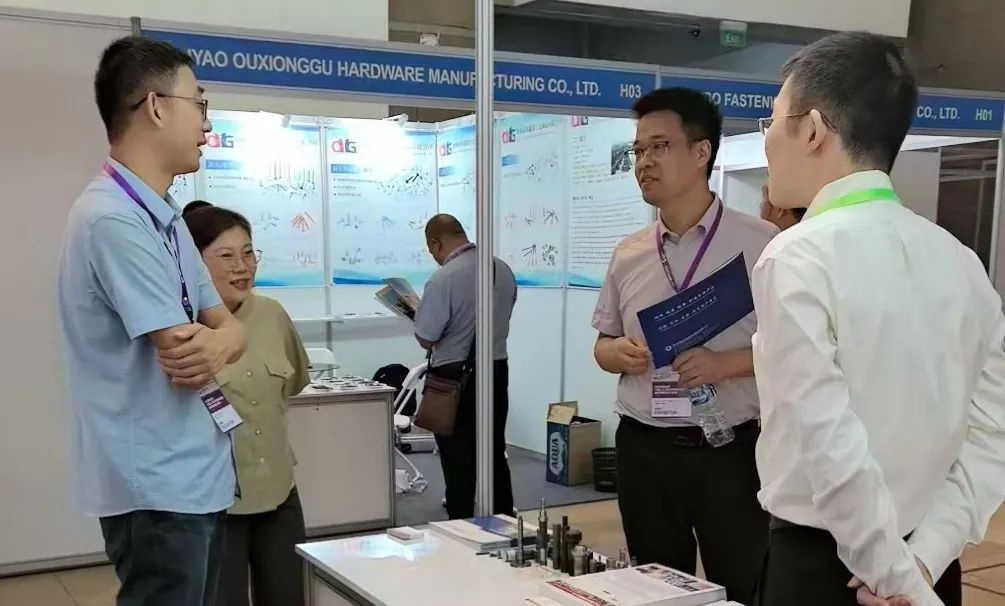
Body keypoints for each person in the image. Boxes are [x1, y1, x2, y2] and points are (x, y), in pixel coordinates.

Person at [752, 31, 1005, 606]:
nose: (766, 139)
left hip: (829, 571)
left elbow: (828, 441)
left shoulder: (796, 256)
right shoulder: (961, 260)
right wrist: (921, 561)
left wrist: (894, 578)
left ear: (812, 130)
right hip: (929, 565)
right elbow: (992, 431)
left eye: (772, 118)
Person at [57, 37, 245, 606]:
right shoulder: (112, 219)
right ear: (157, 107)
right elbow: (185, 350)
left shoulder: (165, 217)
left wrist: (223, 340)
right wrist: (221, 339)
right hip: (156, 485)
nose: (207, 124)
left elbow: (230, 325)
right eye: (199, 103)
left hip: (193, 474)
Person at [592, 87, 777, 601]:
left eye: (659, 147)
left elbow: (796, 350)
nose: (644, 163)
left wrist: (726, 364)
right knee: (653, 588)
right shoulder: (629, 253)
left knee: (740, 584)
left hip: (729, 451)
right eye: (638, 150)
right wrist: (617, 353)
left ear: (701, 152)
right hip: (645, 449)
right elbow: (602, 344)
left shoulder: (761, 244)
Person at [183, 205, 311, 606]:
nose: (242, 266)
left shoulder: (273, 315)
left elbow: (292, 385)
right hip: (214, 504)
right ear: (192, 263)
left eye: (248, 252)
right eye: (225, 255)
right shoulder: (178, 327)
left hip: (277, 490)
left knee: (289, 595)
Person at [414, 214, 517, 519]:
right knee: (494, 453)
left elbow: (426, 337)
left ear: (435, 243)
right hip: (497, 371)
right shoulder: (502, 269)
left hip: (454, 379)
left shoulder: (443, 279)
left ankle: (460, 526)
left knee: (457, 460)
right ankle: (503, 524)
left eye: (431, 249)